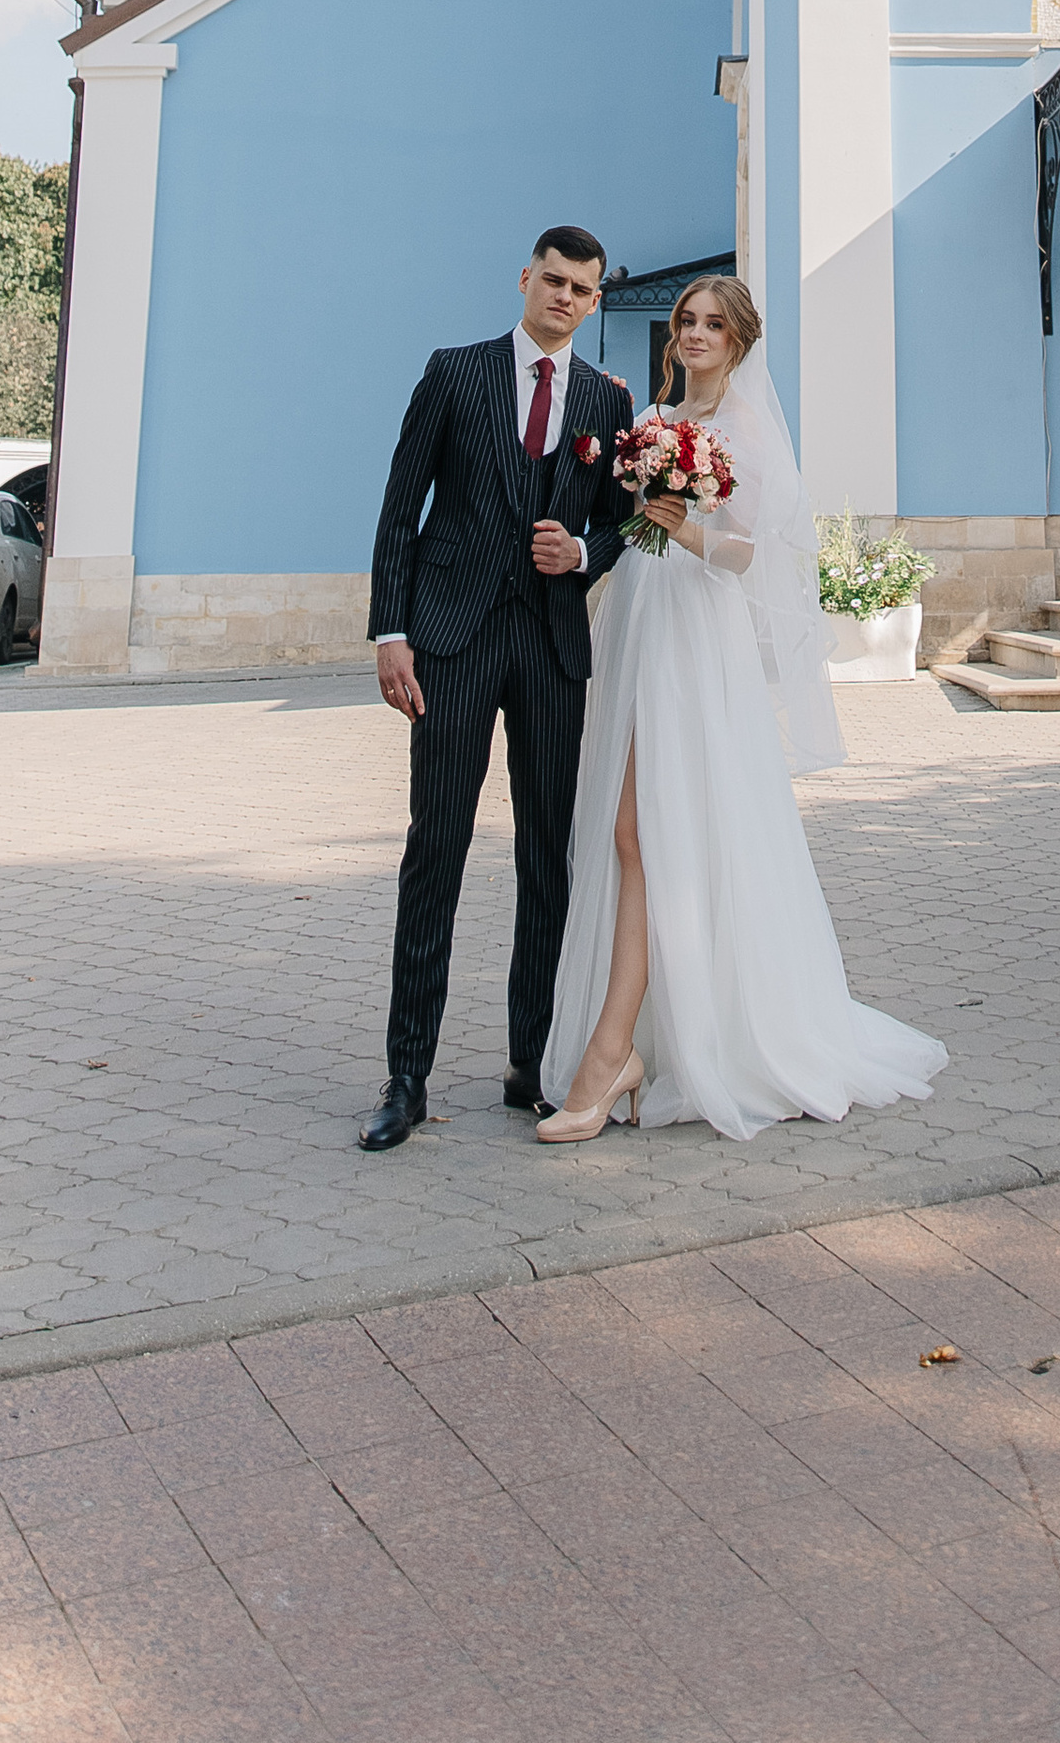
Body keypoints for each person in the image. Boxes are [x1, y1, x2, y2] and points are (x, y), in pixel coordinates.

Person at [537, 276, 946, 1144]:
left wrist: (684, 527)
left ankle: (615, 1052)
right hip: (643, 621)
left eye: (712, 325)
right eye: (685, 321)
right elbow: (633, 530)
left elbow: (755, 559)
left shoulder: (746, 431)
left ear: (739, 341)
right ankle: (638, 1043)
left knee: (645, 831)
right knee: (631, 832)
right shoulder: (654, 419)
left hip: (694, 633)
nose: (693, 334)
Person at [356, 225, 633, 1149]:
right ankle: (407, 1076)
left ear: (596, 302)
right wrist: (390, 632)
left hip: (552, 650)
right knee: (436, 846)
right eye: (553, 281)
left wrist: (584, 551)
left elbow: (628, 525)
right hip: (453, 641)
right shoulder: (455, 372)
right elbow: (402, 507)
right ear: (525, 280)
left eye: (582, 290)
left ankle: (533, 1063)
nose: (565, 298)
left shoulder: (605, 399)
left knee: (546, 858)